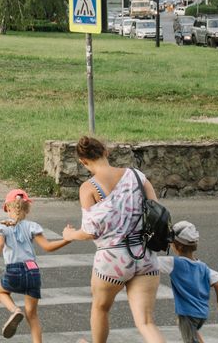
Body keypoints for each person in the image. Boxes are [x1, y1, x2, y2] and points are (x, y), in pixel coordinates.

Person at [62, 136, 165, 343]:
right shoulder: (137, 176)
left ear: (83, 162)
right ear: (106, 152)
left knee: (101, 308)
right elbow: (157, 211)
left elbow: (90, 231)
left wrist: (70, 235)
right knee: (146, 322)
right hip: (145, 256)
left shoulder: (89, 188)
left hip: (112, 259)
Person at [0, 189, 71, 340]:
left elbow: (0, 243)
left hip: (14, 269)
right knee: (32, 316)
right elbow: (48, 247)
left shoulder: (1, 226)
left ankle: (15, 310)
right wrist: (68, 239)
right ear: (27, 210)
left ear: (7, 208)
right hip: (33, 272)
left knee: (1, 292)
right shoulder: (32, 226)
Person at [158, 220, 218, 343]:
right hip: (202, 314)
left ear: (179, 246)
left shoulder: (174, 263)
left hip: (187, 314)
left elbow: (150, 263)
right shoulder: (203, 267)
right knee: (191, 333)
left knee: (190, 339)